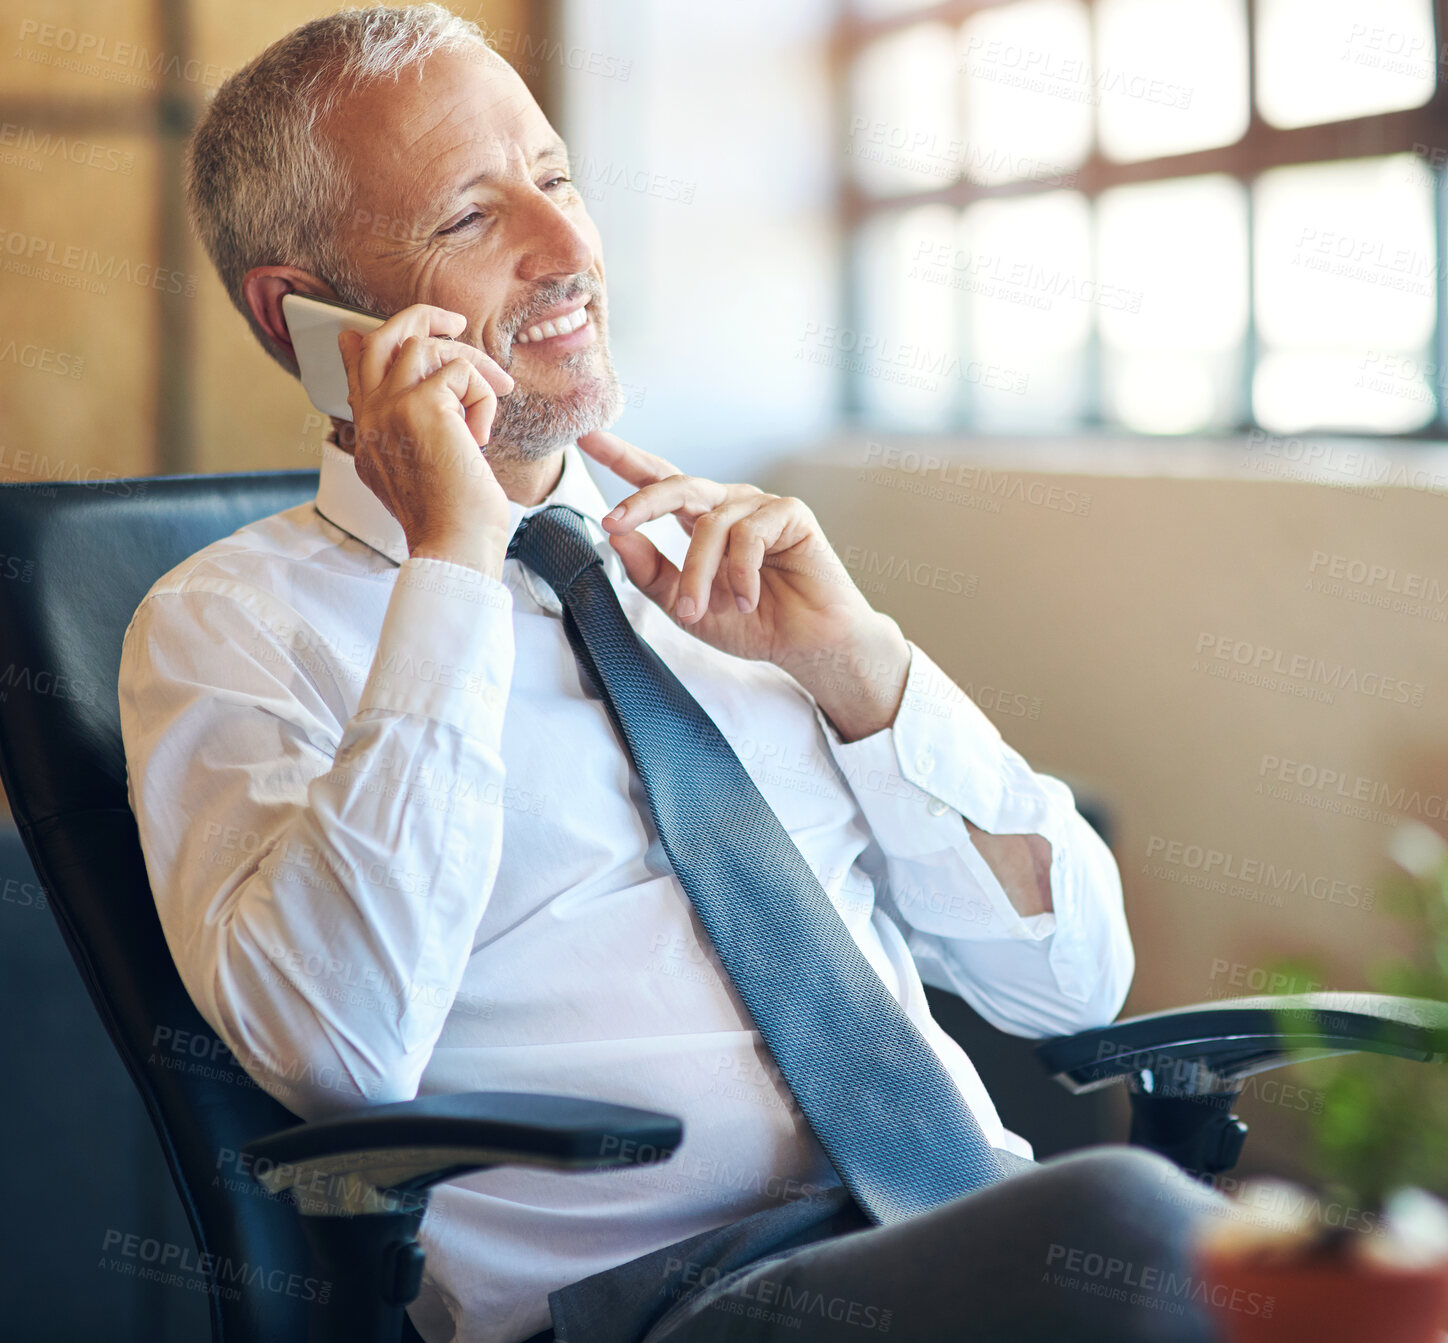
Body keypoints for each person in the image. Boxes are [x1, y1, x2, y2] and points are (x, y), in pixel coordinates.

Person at [119, 7, 1222, 1341]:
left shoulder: (721, 568)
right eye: (471, 220)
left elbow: (1073, 981)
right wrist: (455, 566)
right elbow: (337, 1055)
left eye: (560, 180)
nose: (573, 251)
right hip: (668, 1310)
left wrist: (858, 666)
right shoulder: (224, 624)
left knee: (1229, 1263)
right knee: (1160, 1242)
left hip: (975, 1238)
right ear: (306, 317)